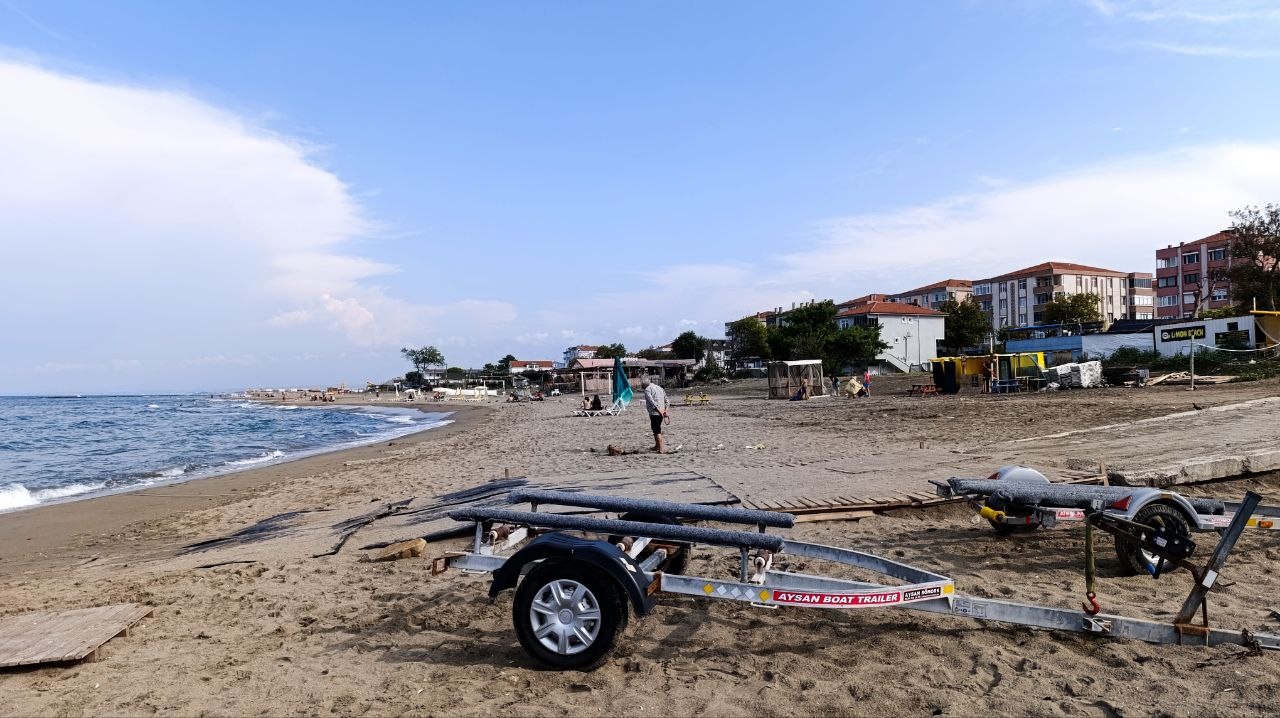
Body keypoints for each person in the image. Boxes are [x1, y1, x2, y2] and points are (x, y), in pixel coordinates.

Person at [641, 376, 669, 453]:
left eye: (642, 385)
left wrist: (660, 412)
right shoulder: (659, 388)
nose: (641, 386)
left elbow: (652, 403)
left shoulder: (647, 390)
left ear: (644, 384)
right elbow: (667, 400)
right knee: (656, 429)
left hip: (655, 413)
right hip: (662, 412)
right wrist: (665, 411)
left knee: (657, 430)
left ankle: (661, 449)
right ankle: (657, 446)